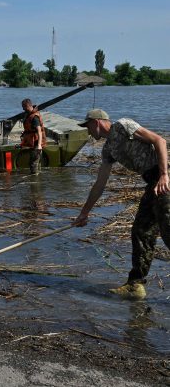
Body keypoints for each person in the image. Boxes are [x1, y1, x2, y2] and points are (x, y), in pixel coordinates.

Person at [73, 109, 170, 299]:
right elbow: (100, 184)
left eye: (88, 126)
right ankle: (135, 285)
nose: (88, 131)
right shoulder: (108, 149)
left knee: (169, 232)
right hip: (152, 182)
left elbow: (160, 140)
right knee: (141, 231)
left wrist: (165, 175)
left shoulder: (123, 125)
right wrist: (84, 213)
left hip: (164, 178)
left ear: (98, 122)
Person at [20, 98, 45, 174]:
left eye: (24, 107)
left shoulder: (34, 117)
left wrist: (39, 145)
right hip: (32, 142)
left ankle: (34, 181)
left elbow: (39, 131)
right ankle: (37, 179)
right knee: (36, 162)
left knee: (33, 163)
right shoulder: (29, 114)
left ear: (28, 106)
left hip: (36, 143)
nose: (23, 109)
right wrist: (25, 132)